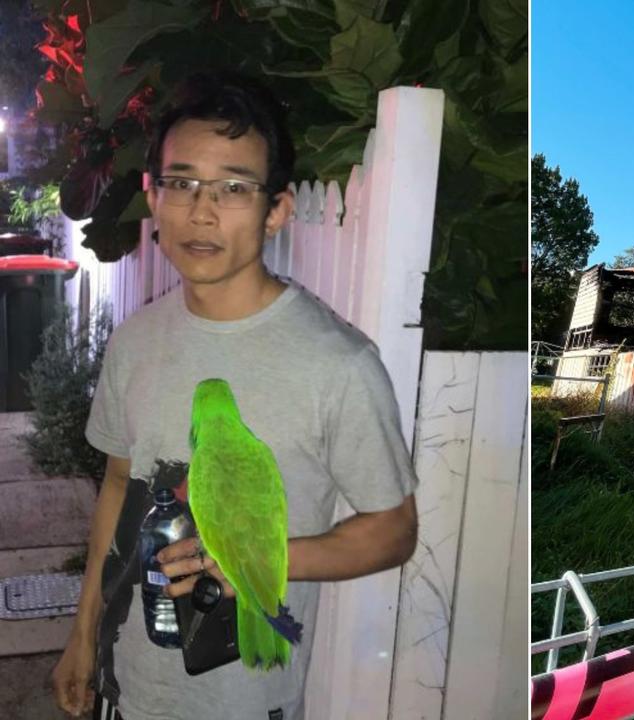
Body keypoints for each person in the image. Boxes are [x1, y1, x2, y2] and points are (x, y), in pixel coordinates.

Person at [49, 72, 420, 720]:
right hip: (124, 689)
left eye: (234, 188)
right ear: (152, 197)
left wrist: (262, 561)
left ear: (276, 208)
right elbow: (116, 488)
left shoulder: (339, 364)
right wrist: (81, 635)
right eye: (183, 182)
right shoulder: (134, 343)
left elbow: (394, 531)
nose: (202, 209)